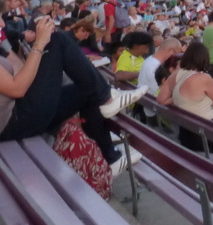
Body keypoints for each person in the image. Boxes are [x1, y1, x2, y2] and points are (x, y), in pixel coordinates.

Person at [0, 17, 145, 171]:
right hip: (15, 121)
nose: (2, 24)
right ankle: (107, 98)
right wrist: (40, 44)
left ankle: (110, 157)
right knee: (58, 40)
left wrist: (45, 53)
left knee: (88, 89)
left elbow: (19, 69)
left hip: (19, 112)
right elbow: (17, 88)